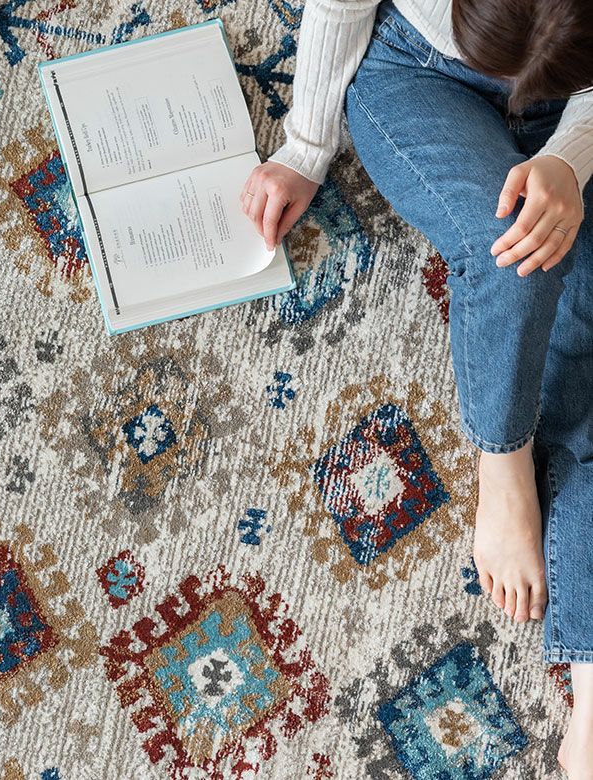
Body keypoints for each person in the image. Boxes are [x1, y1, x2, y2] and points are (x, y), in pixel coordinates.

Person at [240, 0, 593, 774]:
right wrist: (306, 147)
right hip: (419, 70)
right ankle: (502, 468)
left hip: (578, 96)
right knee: (513, 258)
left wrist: (571, 155)